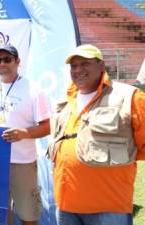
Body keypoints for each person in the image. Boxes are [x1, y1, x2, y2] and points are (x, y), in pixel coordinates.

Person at [47, 44, 145, 225]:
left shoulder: (129, 96)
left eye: (85, 63)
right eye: (73, 65)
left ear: (101, 65)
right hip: (66, 205)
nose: (78, 70)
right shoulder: (65, 101)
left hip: (108, 207)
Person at [0, 45, 50, 225]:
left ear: (18, 61)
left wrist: (24, 133)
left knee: (28, 215)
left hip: (22, 163)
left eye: (7, 59)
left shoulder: (33, 89)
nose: (2, 64)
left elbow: (48, 126)